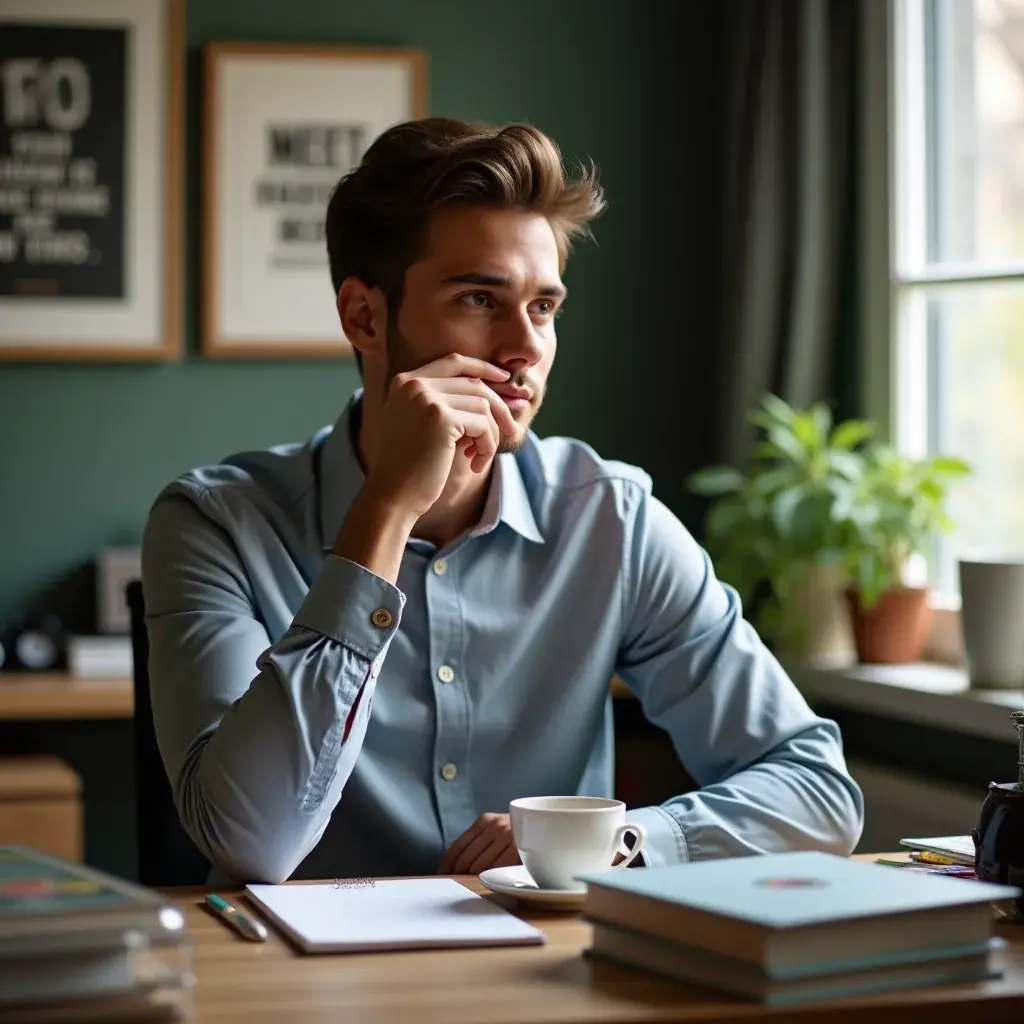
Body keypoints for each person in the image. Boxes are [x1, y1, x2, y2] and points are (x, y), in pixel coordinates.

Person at [143, 118, 864, 884]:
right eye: (480, 299)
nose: (525, 347)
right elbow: (252, 842)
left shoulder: (611, 521)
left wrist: (607, 841)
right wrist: (385, 513)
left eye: (543, 307)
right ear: (365, 317)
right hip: (304, 960)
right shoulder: (216, 525)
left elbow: (817, 791)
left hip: (551, 956)